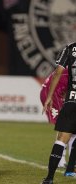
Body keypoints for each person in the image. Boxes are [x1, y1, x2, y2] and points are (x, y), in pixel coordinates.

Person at [41, 42, 76, 184]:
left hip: (72, 100)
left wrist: (49, 97)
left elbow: (58, 73)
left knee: (62, 139)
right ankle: (70, 169)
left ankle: (49, 178)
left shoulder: (70, 48)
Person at [40, 68, 76, 168]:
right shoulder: (70, 70)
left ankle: (70, 160)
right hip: (53, 95)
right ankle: (61, 160)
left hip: (55, 93)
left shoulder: (69, 65)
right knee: (66, 127)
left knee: (70, 127)